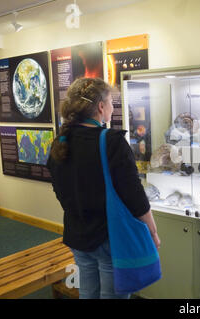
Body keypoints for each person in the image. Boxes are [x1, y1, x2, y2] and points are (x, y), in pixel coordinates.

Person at [47, 77, 160, 299]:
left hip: (77, 235)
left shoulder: (60, 141)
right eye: (111, 102)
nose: (112, 107)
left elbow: (59, 190)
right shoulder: (111, 142)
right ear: (100, 107)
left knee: (88, 293)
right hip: (110, 237)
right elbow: (134, 195)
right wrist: (153, 232)